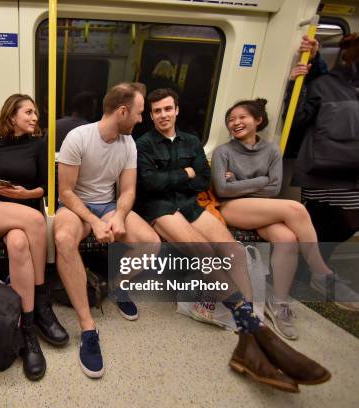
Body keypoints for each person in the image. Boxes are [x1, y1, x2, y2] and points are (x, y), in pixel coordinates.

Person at [135, 88, 330, 392]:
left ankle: (250, 329)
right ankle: (254, 331)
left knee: (234, 251)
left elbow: (201, 179)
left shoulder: (191, 141)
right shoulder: (143, 144)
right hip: (159, 209)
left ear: (176, 110)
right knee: (202, 250)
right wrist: (183, 174)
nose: (162, 115)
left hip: (190, 205)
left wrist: (183, 176)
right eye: (156, 111)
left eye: (167, 109)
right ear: (150, 115)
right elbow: (149, 184)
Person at [211, 98, 356, 341]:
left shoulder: (271, 151)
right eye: (231, 120)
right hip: (231, 207)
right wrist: (260, 181)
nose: (235, 122)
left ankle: (278, 305)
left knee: (287, 237)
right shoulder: (223, 152)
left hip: (261, 208)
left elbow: (274, 188)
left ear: (258, 120)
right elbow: (223, 190)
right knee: (296, 209)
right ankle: (321, 273)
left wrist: (239, 183)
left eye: (241, 117)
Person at [54, 82, 161, 379]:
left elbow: (127, 191)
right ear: (122, 111)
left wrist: (120, 216)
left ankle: (116, 284)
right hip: (77, 208)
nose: (141, 120)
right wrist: (94, 220)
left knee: (151, 243)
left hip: (108, 205)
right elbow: (65, 192)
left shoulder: (129, 145)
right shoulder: (79, 138)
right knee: (63, 239)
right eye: (139, 113)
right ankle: (88, 328)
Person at [0, 94, 68, 381]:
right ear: (12, 116)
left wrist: (25, 194)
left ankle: (26, 330)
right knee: (36, 220)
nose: (35, 118)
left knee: (18, 243)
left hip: (20, 212)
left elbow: (45, 188)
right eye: (28, 112)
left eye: (36, 113)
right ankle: (40, 302)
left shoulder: (39, 145)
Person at [291, 33, 359, 274]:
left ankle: (313, 265)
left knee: (345, 221)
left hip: (351, 165)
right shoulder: (327, 82)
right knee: (323, 219)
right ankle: (306, 268)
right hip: (324, 165)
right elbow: (298, 118)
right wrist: (297, 84)